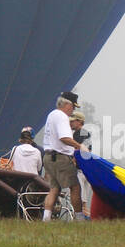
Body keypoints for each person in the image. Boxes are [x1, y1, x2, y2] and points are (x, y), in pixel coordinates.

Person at [42, 92, 90, 221]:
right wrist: (79, 146)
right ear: (67, 104)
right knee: (75, 187)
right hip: (61, 157)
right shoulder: (62, 117)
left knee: (54, 189)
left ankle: (45, 218)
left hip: (48, 157)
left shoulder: (51, 115)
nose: (73, 110)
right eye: (73, 107)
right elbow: (64, 138)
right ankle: (79, 218)